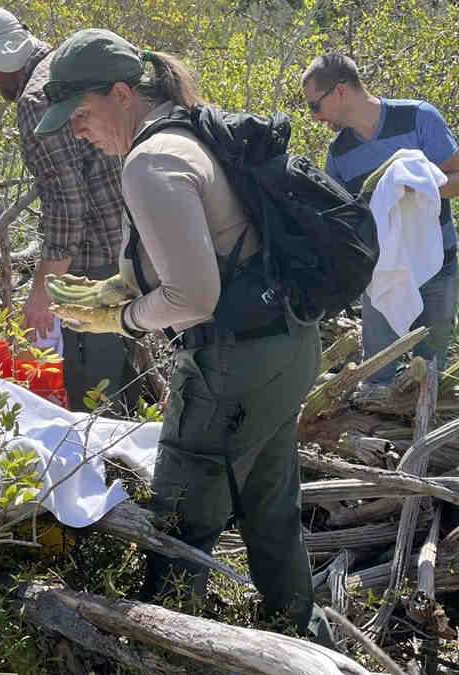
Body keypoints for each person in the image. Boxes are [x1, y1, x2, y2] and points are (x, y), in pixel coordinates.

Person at [34, 28, 332, 643]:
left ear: (121, 94)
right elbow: (207, 257)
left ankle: (164, 650)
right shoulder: (194, 132)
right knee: (270, 510)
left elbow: (194, 297)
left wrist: (118, 318)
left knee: (177, 528)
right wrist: (116, 290)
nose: (76, 130)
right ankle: (297, 636)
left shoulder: (152, 160)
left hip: (234, 366)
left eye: (82, 114)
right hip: (284, 347)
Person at [0, 6, 131, 412]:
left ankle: (103, 468)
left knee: (92, 389)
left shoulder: (35, 100)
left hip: (95, 259)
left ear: (0, 54)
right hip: (131, 245)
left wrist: (42, 293)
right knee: (125, 368)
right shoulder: (65, 64)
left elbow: (66, 205)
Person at [301, 53, 459, 395]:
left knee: (433, 374)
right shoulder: (339, 153)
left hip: (438, 267)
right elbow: (344, 219)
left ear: (339, 92)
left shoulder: (418, 117)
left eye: (314, 106)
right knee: (377, 376)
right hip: (383, 275)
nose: (315, 118)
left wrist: (417, 184)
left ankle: (431, 444)